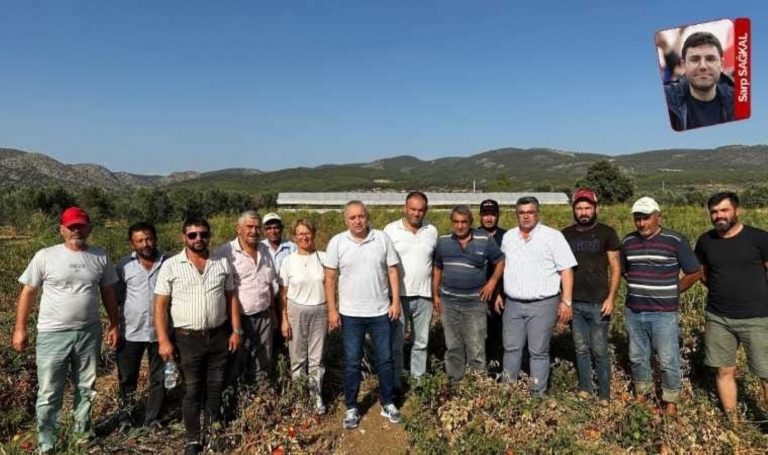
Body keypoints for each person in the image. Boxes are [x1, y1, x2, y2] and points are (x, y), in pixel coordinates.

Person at [12, 206, 120, 454]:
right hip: (52, 334)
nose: (76, 230)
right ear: (61, 230)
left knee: (87, 386)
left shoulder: (100, 256)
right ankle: (46, 443)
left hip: (88, 332)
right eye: (71, 226)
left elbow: (108, 292)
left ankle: (82, 436)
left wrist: (114, 324)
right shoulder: (45, 256)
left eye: (81, 226)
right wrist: (20, 329)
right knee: (49, 390)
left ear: (89, 228)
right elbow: (28, 292)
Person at [154, 217, 243, 455]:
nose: (198, 239)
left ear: (209, 236)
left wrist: (236, 330)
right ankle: (193, 439)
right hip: (187, 339)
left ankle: (214, 434)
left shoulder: (221, 263)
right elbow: (160, 306)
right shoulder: (171, 265)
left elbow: (231, 298)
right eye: (192, 235)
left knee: (216, 387)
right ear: (183, 237)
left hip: (218, 336)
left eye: (203, 234)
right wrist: (163, 340)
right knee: (192, 390)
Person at [325, 200, 402, 429]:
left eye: (361, 216)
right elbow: (329, 278)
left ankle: (388, 402)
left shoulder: (381, 238)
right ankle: (351, 406)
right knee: (351, 362)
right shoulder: (337, 242)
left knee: (385, 360)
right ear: (345, 220)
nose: (357, 221)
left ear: (367, 216)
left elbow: (392, 270)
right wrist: (332, 309)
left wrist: (395, 302)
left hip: (380, 312)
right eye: (352, 218)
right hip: (350, 314)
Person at [621, 197, 700, 416]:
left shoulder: (674, 240)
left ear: (658, 217)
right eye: (638, 219)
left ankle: (670, 402)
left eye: (646, 218)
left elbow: (694, 272)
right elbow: (625, 270)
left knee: (667, 359)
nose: (642, 223)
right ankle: (642, 395)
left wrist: (673, 291)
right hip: (634, 310)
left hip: (663, 313)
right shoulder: (628, 242)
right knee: (637, 356)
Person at [694, 192, 768, 421]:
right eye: (714, 212)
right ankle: (734, 423)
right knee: (724, 371)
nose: (719, 216)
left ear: (737, 211)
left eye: (724, 210)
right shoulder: (706, 241)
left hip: (756, 317)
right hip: (718, 317)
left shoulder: (759, 239)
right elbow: (703, 274)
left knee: (765, 374)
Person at [497, 196, 576, 396]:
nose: (526, 217)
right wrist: (498, 292)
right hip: (513, 304)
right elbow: (503, 267)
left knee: (538, 352)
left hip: (543, 304)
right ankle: (507, 393)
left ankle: (536, 396)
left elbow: (566, 269)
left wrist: (566, 301)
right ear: (516, 215)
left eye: (530, 212)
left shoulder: (553, 236)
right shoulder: (509, 237)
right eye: (522, 213)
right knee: (511, 349)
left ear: (537, 213)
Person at [562, 189, 620, 404]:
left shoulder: (607, 233)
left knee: (599, 349)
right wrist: (563, 301)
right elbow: (561, 269)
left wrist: (611, 298)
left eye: (587, 208)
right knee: (581, 348)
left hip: (599, 302)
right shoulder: (565, 235)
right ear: (574, 210)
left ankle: (604, 394)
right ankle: (585, 388)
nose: (583, 212)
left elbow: (615, 267)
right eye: (579, 208)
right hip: (575, 302)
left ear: (596, 208)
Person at [433, 205, 504, 382]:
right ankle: (455, 384)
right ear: (451, 222)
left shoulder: (484, 239)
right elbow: (437, 268)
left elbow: (500, 260)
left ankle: (477, 387)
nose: (459, 226)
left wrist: (492, 283)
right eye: (456, 222)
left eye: (464, 222)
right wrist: (435, 295)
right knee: (453, 346)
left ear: (471, 223)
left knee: (476, 348)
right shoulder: (443, 242)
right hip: (449, 303)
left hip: (475, 303)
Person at [114, 221, 168, 431]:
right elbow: (117, 298)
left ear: (155, 238)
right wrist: (115, 326)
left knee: (160, 377)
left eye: (148, 238)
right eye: (140, 240)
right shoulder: (123, 267)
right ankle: (125, 417)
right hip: (131, 331)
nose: (145, 244)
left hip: (161, 332)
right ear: (132, 244)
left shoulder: (169, 263)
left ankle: (152, 418)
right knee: (127, 377)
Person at [383, 191, 438, 387]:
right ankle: (396, 383)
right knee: (396, 344)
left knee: (421, 343)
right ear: (405, 208)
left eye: (421, 210)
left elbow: (435, 264)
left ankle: (418, 384)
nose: (417, 213)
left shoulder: (432, 230)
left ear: (426, 210)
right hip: (398, 297)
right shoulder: (390, 230)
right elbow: (384, 265)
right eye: (413, 209)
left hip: (424, 296)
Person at [215, 211, 276, 384]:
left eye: (257, 227)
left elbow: (269, 283)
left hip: (263, 314)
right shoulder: (225, 252)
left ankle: (260, 395)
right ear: (238, 229)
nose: (254, 231)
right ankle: (238, 395)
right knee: (237, 359)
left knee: (263, 359)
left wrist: (272, 312)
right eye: (249, 227)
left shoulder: (265, 250)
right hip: (238, 318)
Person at [279, 219, 329, 415]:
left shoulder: (324, 258)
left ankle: (316, 396)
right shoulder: (288, 261)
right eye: (300, 234)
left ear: (313, 234)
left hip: (320, 310)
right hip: (295, 310)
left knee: (317, 358)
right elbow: (283, 293)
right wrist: (284, 318)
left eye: (307, 233)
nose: (304, 237)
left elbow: (330, 285)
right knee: (298, 358)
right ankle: (300, 399)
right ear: (294, 237)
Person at [665, 31, 734, 131]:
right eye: (695, 59)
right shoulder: (665, 98)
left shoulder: (740, 101)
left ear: (722, 64)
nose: (702, 66)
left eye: (710, 59)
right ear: (684, 65)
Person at [261, 212, 297, 360]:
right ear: (264, 230)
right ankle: (272, 362)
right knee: (269, 332)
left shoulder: (291, 248)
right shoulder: (259, 247)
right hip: (266, 298)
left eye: (276, 227)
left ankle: (285, 360)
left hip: (286, 296)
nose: (272, 231)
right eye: (268, 228)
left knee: (287, 329)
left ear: (281, 228)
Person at [478, 198, 507, 374]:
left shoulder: (506, 236)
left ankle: (497, 371)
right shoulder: (472, 235)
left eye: (492, 214)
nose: (489, 218)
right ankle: (480, 371)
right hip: (477, 293)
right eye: (485, 214)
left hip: (500, 293)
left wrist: (498, 292)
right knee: (479, 335)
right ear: (480, 216)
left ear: (497, 216)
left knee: (498, 333)